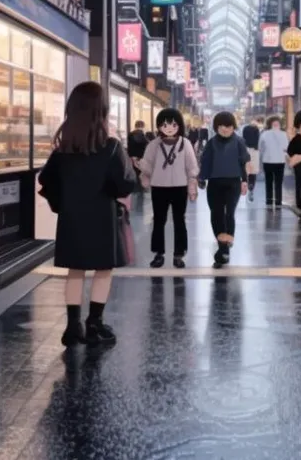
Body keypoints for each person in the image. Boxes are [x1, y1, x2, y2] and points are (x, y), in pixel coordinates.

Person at [38, 81, 137, 348]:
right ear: (101, 110)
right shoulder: (112, 147)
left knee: (75, 271)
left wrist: (63, 205)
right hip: (103, 218)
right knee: (103, 271)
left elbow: (46, 181)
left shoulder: (63, 150)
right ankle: (95, 324)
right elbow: (126, 183)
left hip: (72, 219)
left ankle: (72, 327)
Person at [140, 108, 198, 269]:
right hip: (159, 186)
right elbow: (147, 164)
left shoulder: (185, 143)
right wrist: (145, 177)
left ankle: (179, 254)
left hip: (180, 186)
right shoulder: (154, 144)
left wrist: (192, 187)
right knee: (159, 220)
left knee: (180, 220)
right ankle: (159, 253)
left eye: (173, 124)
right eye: (164, 124)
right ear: (159, 126)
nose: (169, 128)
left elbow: (191, 166)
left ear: (179, 125)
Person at [198, 111, 250, 268]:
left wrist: (245, 181)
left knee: (229, 213)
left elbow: (244, 162)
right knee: (216, 213)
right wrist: (201, 179)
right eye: (221, 126)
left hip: (233, 182)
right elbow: (205, 162)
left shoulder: (239, 141)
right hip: (214, 183)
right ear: (216, 127)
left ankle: (225, 246)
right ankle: (223, 245)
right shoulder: (211, 143)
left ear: (233, 127)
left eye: (228, 126)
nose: (225, 129)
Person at [259, 116, 289, 207]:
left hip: (268, 161)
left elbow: (260, 148)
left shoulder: (264, 134)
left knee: (269, 182)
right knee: (278, 182)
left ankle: (269, 200)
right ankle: (278, 201)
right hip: (280, 161)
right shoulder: (284, 134)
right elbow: (286, 147)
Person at [241, 117, 260, 201]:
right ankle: (251, 186)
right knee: (253, 171)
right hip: (255, 150)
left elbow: (243, 139)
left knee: (246, 168)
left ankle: (246, 183)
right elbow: (258, 140)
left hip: (246, 149)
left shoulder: (245, 129)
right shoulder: (256, 130)